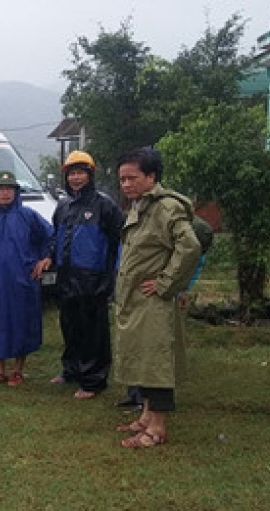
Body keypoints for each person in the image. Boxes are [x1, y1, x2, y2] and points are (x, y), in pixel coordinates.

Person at [113, 147, 201, 448]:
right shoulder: (140, 206)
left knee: (156, 361)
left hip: (154, 300)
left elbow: (189, 247)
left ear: (151, 177)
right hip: (134, 299)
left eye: (132, 178)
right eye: (122, 179)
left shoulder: (166, 208)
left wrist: (167, 283)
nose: (125, 185)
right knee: (143, 360)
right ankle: (146, 416)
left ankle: (158, 429)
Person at [47, 151, 125, 399]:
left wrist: (112, 276)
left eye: (81, 172)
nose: (76, 178)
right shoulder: (63, 206)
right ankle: (71, 370)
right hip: (66, 276)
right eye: (71, 173)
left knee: (93, 331)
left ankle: (93, 380)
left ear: (90, 175)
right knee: (70, 326)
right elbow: (55, 238)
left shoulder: (105, 205)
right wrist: (50, 257)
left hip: (93, 278)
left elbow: (121, 241)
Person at [0, 170, 54, 387]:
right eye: (0, 189)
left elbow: (50, 236)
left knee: (21, 323)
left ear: (16, 192)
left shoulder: (28, 216)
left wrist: (45, 259)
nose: (5, 193)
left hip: (23, 281)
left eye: (9, 189)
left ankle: (18, 370)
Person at [115, 212, 213, 409]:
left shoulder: (196, 229)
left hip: (161, 293)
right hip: (133, 289)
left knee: (156, 346)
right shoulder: (138, 218)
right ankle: (135, 394)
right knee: (134, 342)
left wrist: (180, 287)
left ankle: (153, 402)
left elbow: (193, 258)